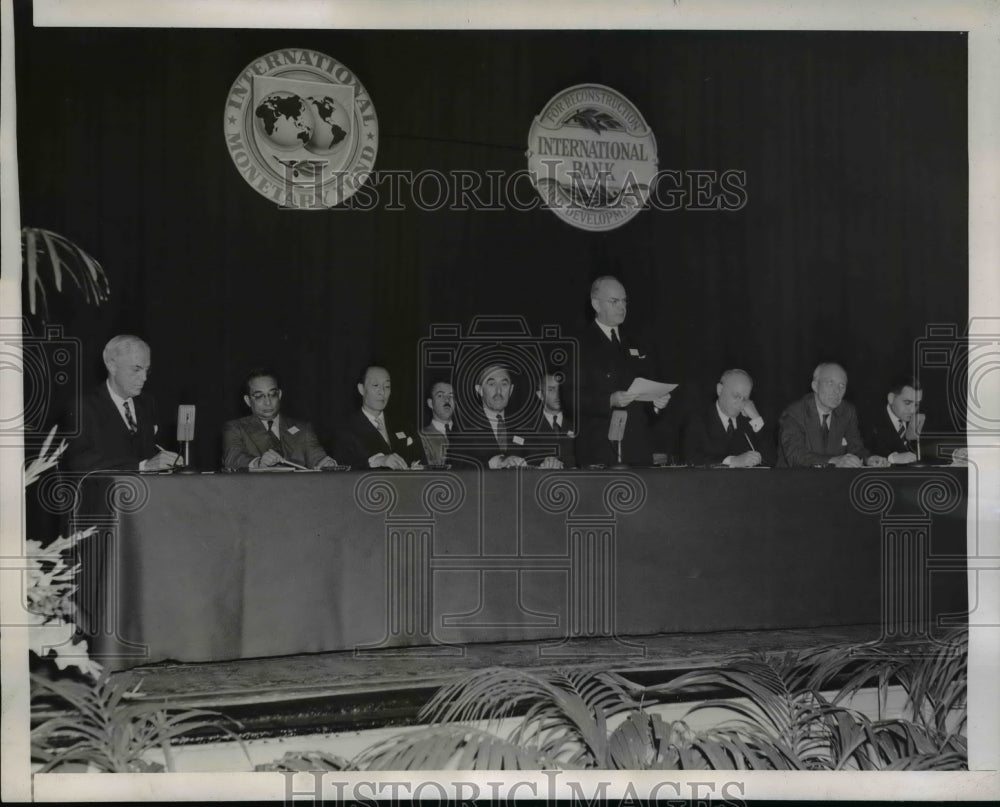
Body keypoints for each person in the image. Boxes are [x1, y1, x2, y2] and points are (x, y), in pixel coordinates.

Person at [577, 276, 672, 467]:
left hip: (637, 450)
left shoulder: (637, 343)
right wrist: (609, 400)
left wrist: (655, 404)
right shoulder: (580, 344)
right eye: (614, 301)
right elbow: (571, 398)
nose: (622, 307)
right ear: (596, 304)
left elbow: (645, 396)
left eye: (624, 301)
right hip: (599, 450)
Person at [63, 334, 181, 472]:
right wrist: (141, 467)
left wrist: (169, 461)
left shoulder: (148, 403)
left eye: (146, 370)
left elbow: (151, 451)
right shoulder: (83, 408)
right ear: (112, 366)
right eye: (136, 369)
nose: (144, 378)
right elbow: (78, 462)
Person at [222, 369, 338, 471]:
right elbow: (232, 458)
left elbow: (317, 458)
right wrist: (258, 463)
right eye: (259, 396)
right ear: (248, 401)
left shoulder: (303, 429)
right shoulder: (236, 428)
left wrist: (325, 464)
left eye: (272, 394)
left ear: (280, 395)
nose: (267, 402)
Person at [777, 362, 888, 468]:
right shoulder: (794, 413)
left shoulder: (847, 411)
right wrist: (834, 460)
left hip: (833, 482)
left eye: (842, 385)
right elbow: (796, 456)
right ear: (815, 386)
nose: (836, 391)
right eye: (830, 383)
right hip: (795, 481)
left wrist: (868, 459)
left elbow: (856, 448)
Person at [335, 366, 425, 469]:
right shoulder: (346, 429)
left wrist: (419, 467)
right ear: (361, 389)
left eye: (387, 386)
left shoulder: (405, 425)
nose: (382, 392)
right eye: (375, 385)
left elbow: (422, 460)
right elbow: (341, 470)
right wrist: (376, 462)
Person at [683, 369, 776, 467]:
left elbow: (771, 460)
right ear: (720, 389)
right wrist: (732, 461)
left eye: (745, 399)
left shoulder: (751, 421)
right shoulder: (697, 419)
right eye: (736, 396)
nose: (740, 403)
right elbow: (690, 459)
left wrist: (756, 419)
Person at [453, 364, 532, 469]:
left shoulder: (523, 424)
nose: (498, 391)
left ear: (511, 390)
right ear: (480, 390)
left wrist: (548, 461)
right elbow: (456, 465)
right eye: (491, 384)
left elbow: (535, 457)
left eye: (504, 384)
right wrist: (494, 463)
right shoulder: (464, 424)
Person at [866, 376, 924, 464]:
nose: (913, 410)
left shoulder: (922, 419)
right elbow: (865, 453)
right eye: (907, 403)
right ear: (891, 398)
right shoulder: (869, 421)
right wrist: (892, 458)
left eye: (916, 404)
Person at [527, 372, 576, 469]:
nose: (558, 394)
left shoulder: (577, 423)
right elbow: (522, 459)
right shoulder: (528, 427)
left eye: (561, 389)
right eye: (551, 389)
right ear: (540, 394)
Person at [419, 380, 455, 467]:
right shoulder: (421, 436)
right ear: (430, 403)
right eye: (440, 395)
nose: (447, 399)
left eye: (451, 395)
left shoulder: (466, 434)